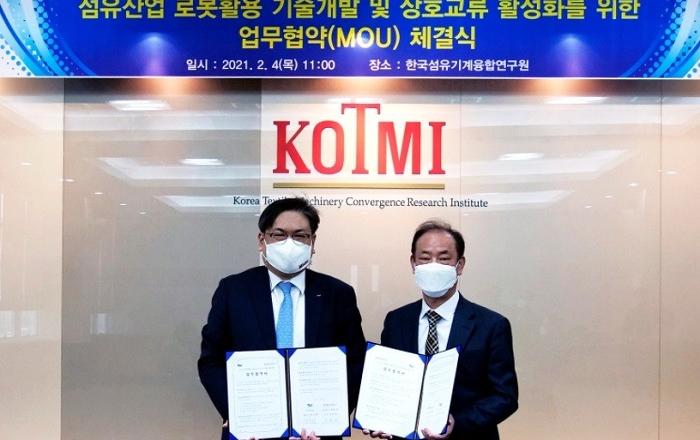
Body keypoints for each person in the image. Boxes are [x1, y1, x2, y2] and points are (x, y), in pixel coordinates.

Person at [198, 197, 366, 440]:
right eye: (279, 234)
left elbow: (355, 362)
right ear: (262, 240)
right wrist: (236, 412)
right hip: (251, 432)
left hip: (318, 432)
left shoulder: (338, 294)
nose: (290, 243)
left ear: (313, 242)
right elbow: (211, 361)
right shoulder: (233, 290)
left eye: (300, 236)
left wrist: (330, 418)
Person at [366, 220, 518, 440]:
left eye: (444, 258)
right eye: (425, 258)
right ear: (413, 263)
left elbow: (505, 396)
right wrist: (380, 417)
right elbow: (389, 382)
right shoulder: (396, 320)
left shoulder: (491, 325)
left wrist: (458, 424)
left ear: (460, 265)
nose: (433, 265)